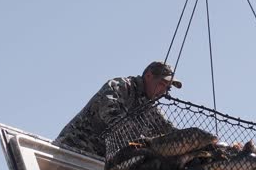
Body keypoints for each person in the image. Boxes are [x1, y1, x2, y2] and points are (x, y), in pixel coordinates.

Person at [54, 61, 182, 158]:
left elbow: (168, 131)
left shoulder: (149, 108)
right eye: (161, 84)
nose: (163, 92)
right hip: (70, 150)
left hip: (98, 161)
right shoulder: (120, 86)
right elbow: (112, 117)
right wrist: (145, 143)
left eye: (168, 88)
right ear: (148, 76)